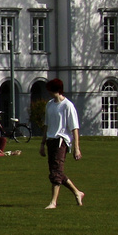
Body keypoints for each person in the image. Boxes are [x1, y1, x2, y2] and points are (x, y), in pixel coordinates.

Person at [43, 77, 84, 208]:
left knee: (56, 172)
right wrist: (42, 144)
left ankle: (53, 202)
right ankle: (77, 192)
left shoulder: (68, 106)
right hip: (51, 140)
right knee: (56, 172)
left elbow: (74, 128)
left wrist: (76, 148)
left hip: (61, 141)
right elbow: (46, 125)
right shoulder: (49, 104)